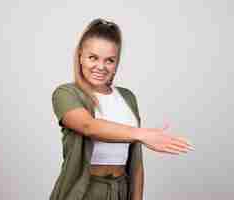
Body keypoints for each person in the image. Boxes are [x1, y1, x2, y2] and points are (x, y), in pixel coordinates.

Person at [50, 18, 195, 200]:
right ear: (80, 56)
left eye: (109, 60)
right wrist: (142, 134)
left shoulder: (127, 97)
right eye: (93, 57)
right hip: (84, 191)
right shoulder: (66, 93)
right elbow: (88, 126)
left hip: (121, 189)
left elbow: (136, 163)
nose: (101, 67)